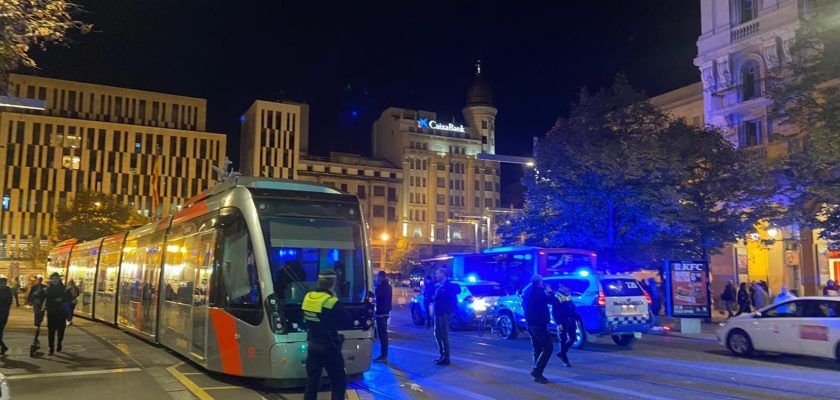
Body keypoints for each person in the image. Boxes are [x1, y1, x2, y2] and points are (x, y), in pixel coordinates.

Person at [302, 269, 352, 400]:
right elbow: (347, 321)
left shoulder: (308, 297)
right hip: (329, 347)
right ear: (332, 283)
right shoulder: (331, 301)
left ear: (319, 282)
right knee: (338, 382)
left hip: (313, 346)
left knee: (311, 383)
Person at [522, 274, 553, 383]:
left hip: (529, 323)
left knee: (537, 348)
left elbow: (523, 304)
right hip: (539, 324)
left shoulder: (527, 291)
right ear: (540, 282)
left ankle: (537, 373)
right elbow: (551, 300)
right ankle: (537, 371)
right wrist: (550, 291)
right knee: (549, 348)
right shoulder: (539, 292)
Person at [431, 268, 458, 366]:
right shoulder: (439, 285)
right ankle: (442, 355)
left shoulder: (449, 285)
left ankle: (446, 357)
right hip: (438, 312)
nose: (436, 275)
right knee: (437, 334)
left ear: (443, 274)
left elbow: (451, 299)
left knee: (443, 335)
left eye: (437, 273)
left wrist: (448, 311)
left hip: (444, 313)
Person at [45, 273, 71, 355]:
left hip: (61, 313)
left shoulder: (64, 289)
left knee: (61, 330)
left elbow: (69, 299)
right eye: (53, 278)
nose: (55, 280)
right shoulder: (47, 289)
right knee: (51, 331)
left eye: (56, 278)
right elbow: (44, 298)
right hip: (51, 312)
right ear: (51, 279)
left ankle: (59, 343)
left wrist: (62, 299)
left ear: (59, 279)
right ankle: (51, 348)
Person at [552, 282, 576, 368]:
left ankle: (562, 353)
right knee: (563, 339)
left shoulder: (568, 295)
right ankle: (564, 360)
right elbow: (555, 312)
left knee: (573, 338)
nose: (568, 288)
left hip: (570, 320)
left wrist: (577, 318)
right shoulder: (557, 296)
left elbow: (572, 308)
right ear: (561, 287)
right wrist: (558, 323)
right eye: (566, 287)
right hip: (562, 321)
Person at [373, 270, 392, 362]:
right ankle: (384, 354)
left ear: (381, 277)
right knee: (383, 334)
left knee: (382, 334)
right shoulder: (388, 285)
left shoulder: (381, 286)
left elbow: (378, 295)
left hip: (381, 313)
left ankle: (383, 355)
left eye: (377, 276)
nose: (377, 278)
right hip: (385, 312)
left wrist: (376, 286)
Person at [0, 277, 13, 355]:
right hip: (3, 313)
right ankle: (3, 346)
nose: (2, 285)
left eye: (3, 283)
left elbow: (8, 302)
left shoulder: (7, 291)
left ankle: (3, 347)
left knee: (0, 331)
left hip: (3, 314)